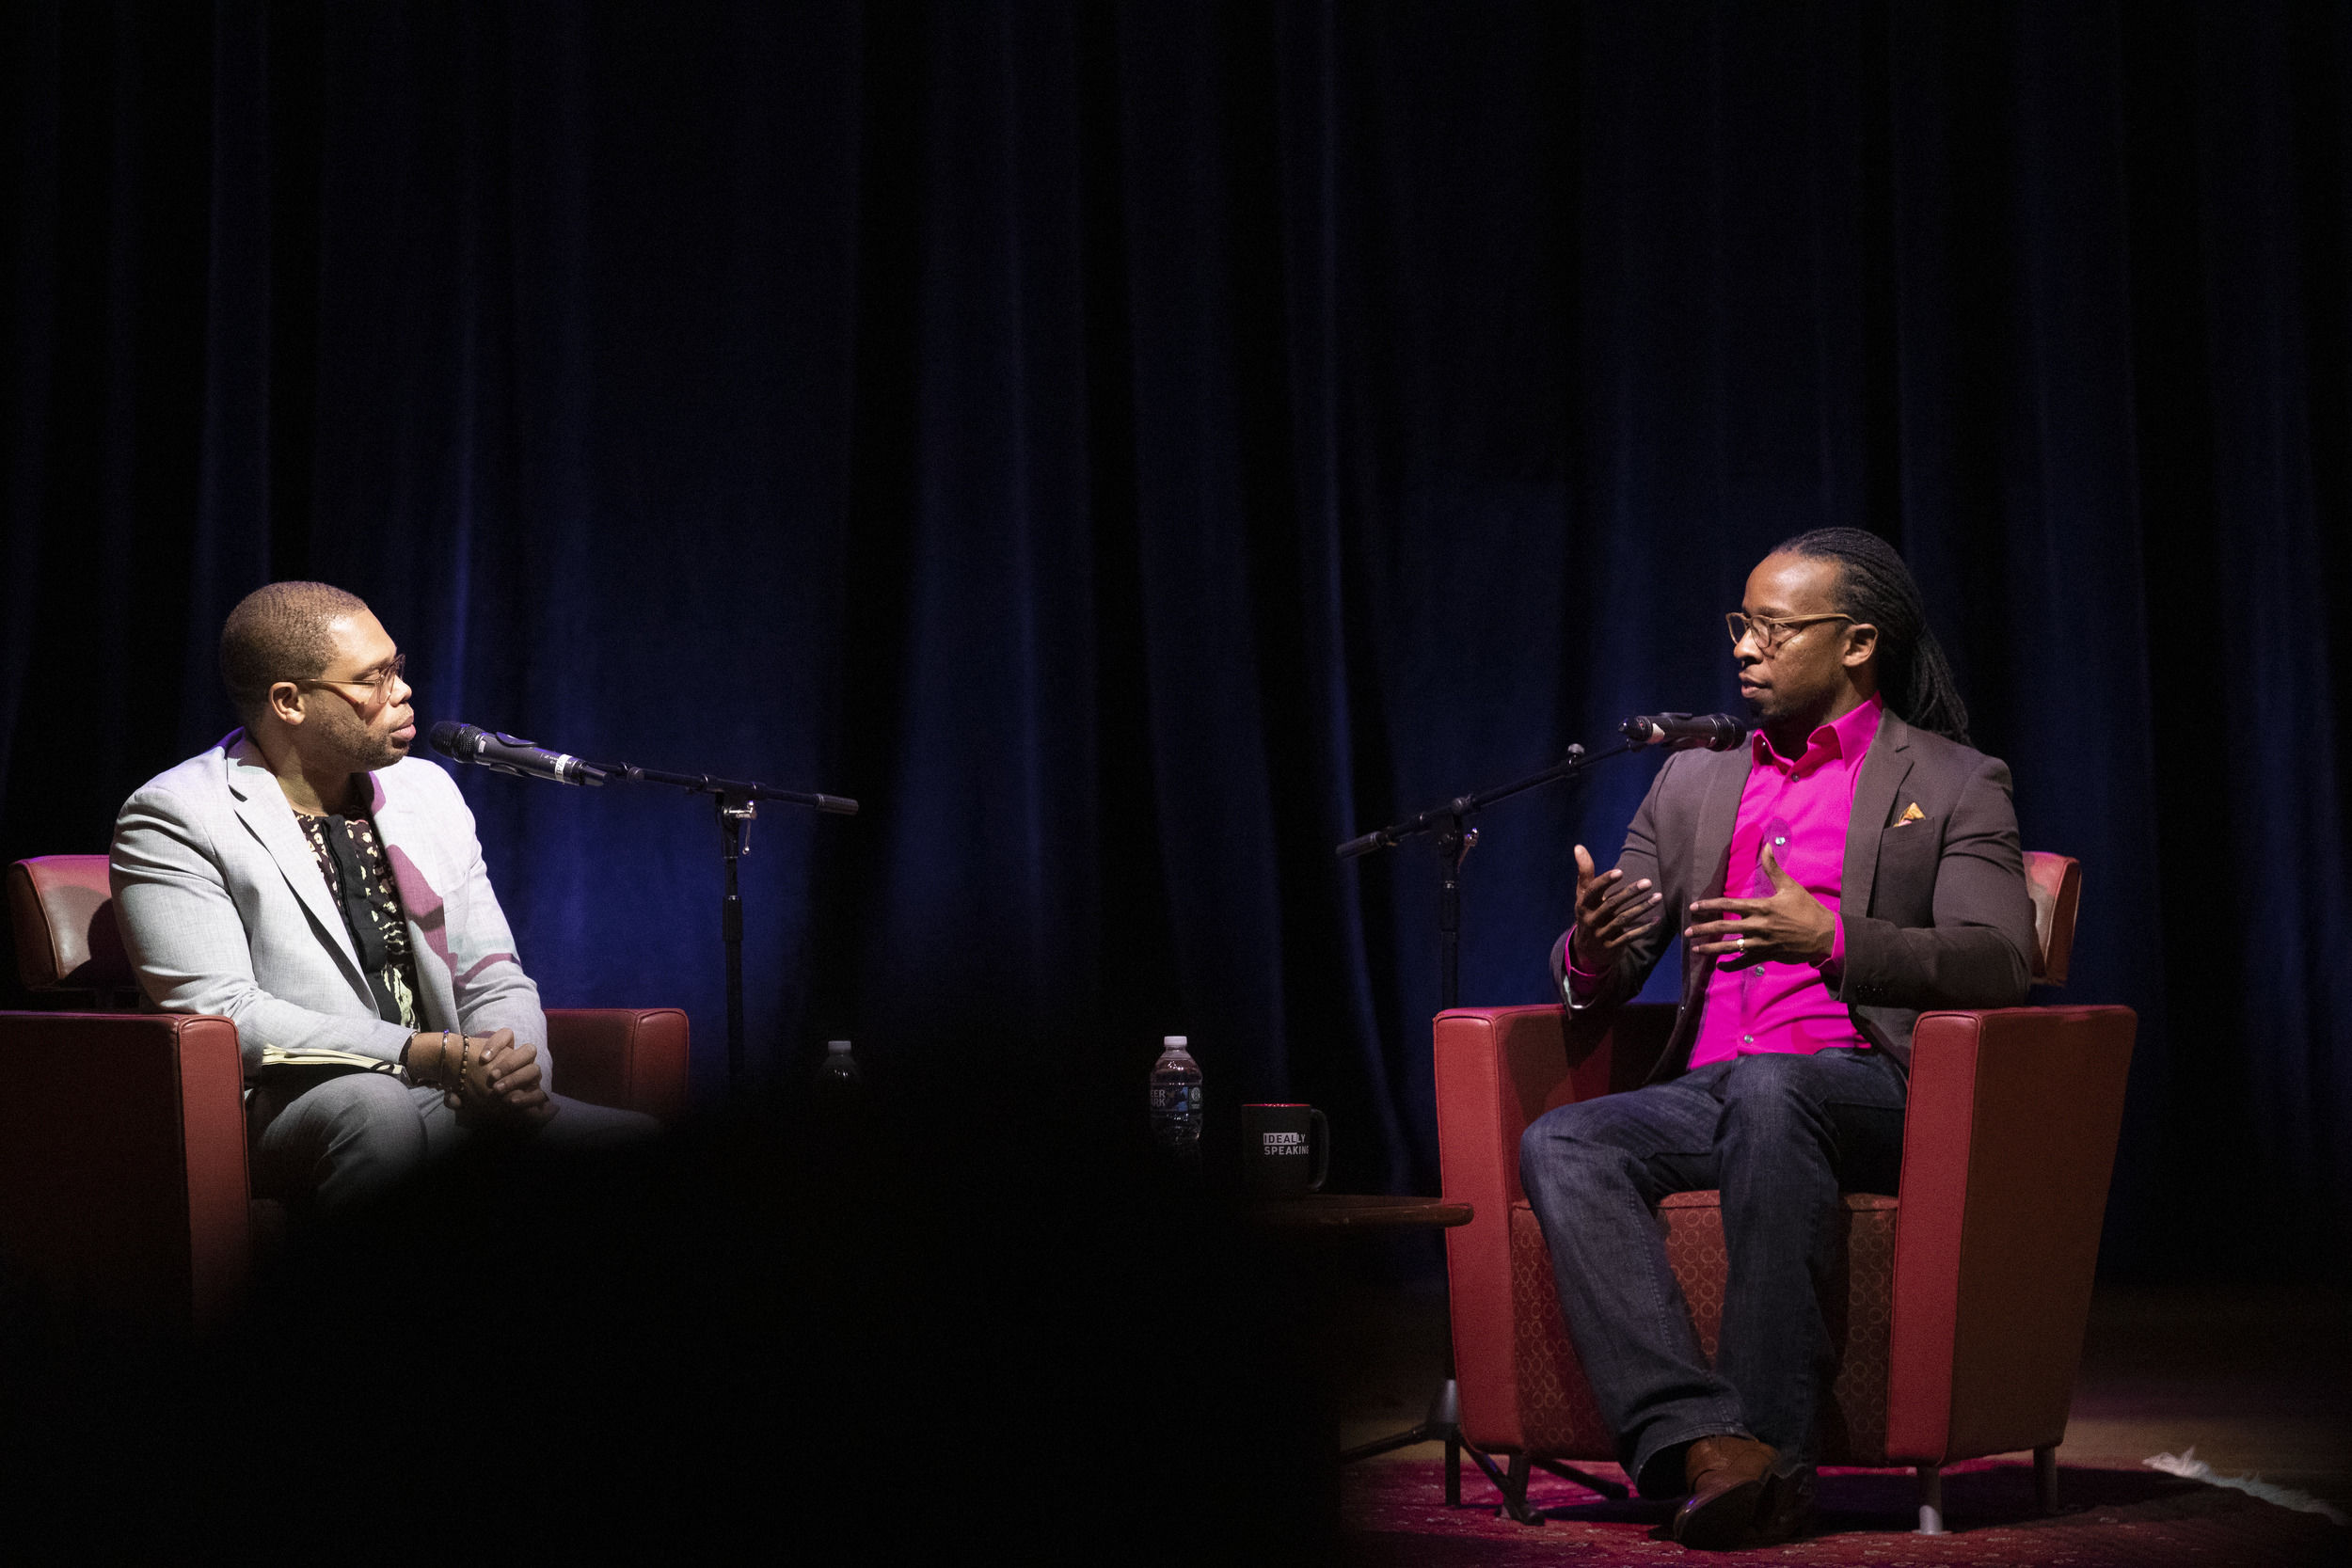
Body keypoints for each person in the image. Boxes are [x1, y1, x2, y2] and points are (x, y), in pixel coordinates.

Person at [1518, 530, 2036, 1550]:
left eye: (1772, 627)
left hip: (1868, 1086)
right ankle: (1708, 1445)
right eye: (1740, 626)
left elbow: (1997, 959)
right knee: (1565, 1139)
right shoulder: (1694, 781)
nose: (1745, 649)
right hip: (1714, 1088)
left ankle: (1777, 1449)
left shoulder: (1955, 778)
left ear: (1855, 643)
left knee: (1775, 1090)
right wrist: (1588, 947)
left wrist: (1830, 935)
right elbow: (1607, 969)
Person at [111, 581, 658, 1217]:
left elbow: (490, 969)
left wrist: (508, 1069)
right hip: (291, 1102)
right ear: (289, 701)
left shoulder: (427, 791)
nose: (401, 691)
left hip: (445, 1082)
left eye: (397, 667)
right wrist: (421, 1054)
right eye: (372, 679)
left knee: (636, 1142)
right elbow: (228, 1014)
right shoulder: (178, 816)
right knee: (378, 1107)